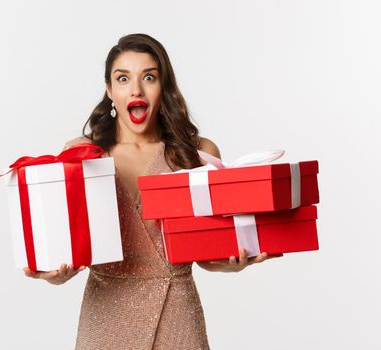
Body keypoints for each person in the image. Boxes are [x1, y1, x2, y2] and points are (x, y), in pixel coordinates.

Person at [23, 33, 279, 349]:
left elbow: (207, 255)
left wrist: (233, 262)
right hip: (106, 317)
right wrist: (58, 274)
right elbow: (71, 248)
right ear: (109, 90)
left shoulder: (197, 154)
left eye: (148, 77)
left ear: (163, 87)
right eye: (123, 78)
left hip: (178, 315)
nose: (136, 89)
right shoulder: (82, 155)